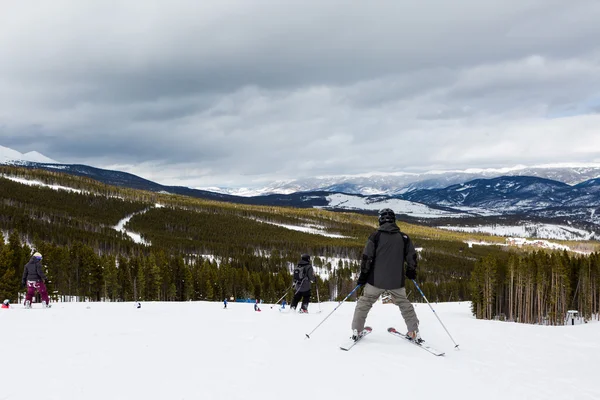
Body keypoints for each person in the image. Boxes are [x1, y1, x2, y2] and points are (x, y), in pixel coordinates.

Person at [351, 208, 421, 342]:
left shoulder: (375, 236)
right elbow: (411, 257)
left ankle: (357, 330)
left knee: (364, 302)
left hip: (375, 281)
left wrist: (363, 276)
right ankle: (413, 331)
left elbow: (367, 258)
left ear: (380, 220)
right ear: (394, 220)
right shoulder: (404, 237)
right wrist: (411, 271)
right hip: (396, 281)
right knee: (404, 304)